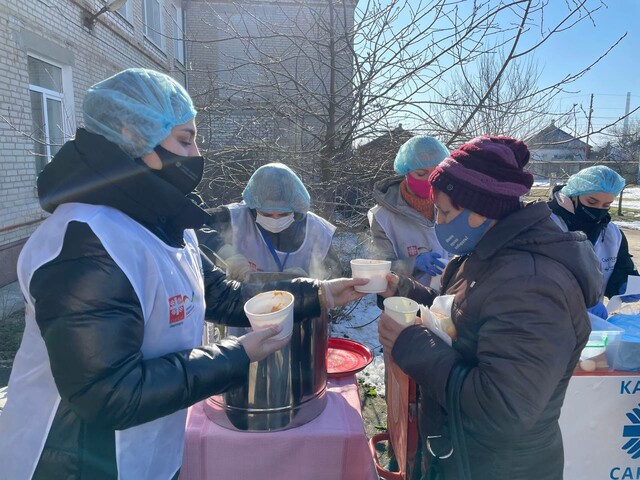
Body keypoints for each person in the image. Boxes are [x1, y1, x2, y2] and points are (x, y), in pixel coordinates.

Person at [0, 68, 367, 480]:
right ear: (132, 135)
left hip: (150, 454)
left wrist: (321, 294)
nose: (195, 157)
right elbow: (108, 394)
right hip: (75, 462)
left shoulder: (162, 224)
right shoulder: (88, 242)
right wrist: (238, 354)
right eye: (184, 140)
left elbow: (222, 295)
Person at [377, 135, 602, 480]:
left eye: (446, 211)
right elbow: (464, 315)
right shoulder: (491, 253)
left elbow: (503, 408)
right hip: (462, 455)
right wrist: (407, 290)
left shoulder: (533, 284)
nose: (438, 222)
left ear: (480, 212)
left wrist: (410, 343)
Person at [203, 162, 342, 281]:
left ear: (297, 209)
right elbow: (190, 226)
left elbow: (335, 277)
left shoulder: (317, 229)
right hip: (245, 306)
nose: (275, 219)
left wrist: (311, 282)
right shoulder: (234, 217)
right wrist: (225, 252)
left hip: (300, 307)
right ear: (253, 206)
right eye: (266, 214)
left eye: (284, 214)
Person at [548, 165, 639, 319]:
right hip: (545, 320)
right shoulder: (546, 223)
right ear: (574, 195)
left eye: (606, 205)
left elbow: (621, 267)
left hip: (591, 323)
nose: (598, 210)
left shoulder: (612, 234)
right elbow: (535, 274)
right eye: (591, 201)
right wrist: (577, 299)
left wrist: (625, 284)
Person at [368, 135, 450, 289]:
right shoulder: (382, 218)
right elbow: (381, 268)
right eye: (421, 174)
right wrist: (413, 264)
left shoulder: (450, 205)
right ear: (406, 172)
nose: (430, 180)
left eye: (436, 173)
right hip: (402, 302)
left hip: (445, 302)